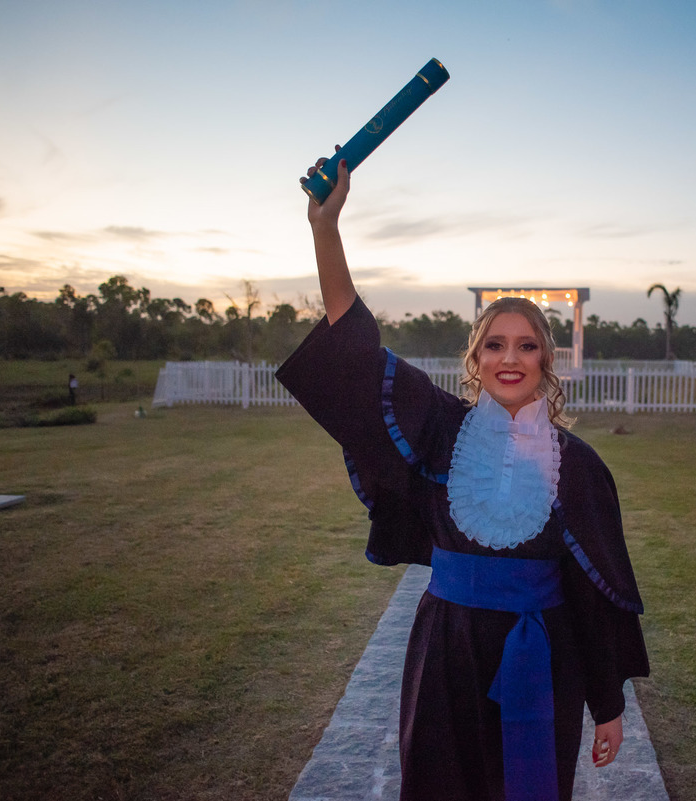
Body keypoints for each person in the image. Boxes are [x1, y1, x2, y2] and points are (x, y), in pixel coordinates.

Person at [276, 152, 649, 801]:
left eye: (527, 344)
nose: (511, 357)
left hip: (542, 653)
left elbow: (596, 594)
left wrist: (608, 702)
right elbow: (358, 356)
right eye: (495, 344)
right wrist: (325, 228)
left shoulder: (580, 466)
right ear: (475, 359)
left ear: (545, 360)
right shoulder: (440, 430)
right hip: (444, 650)